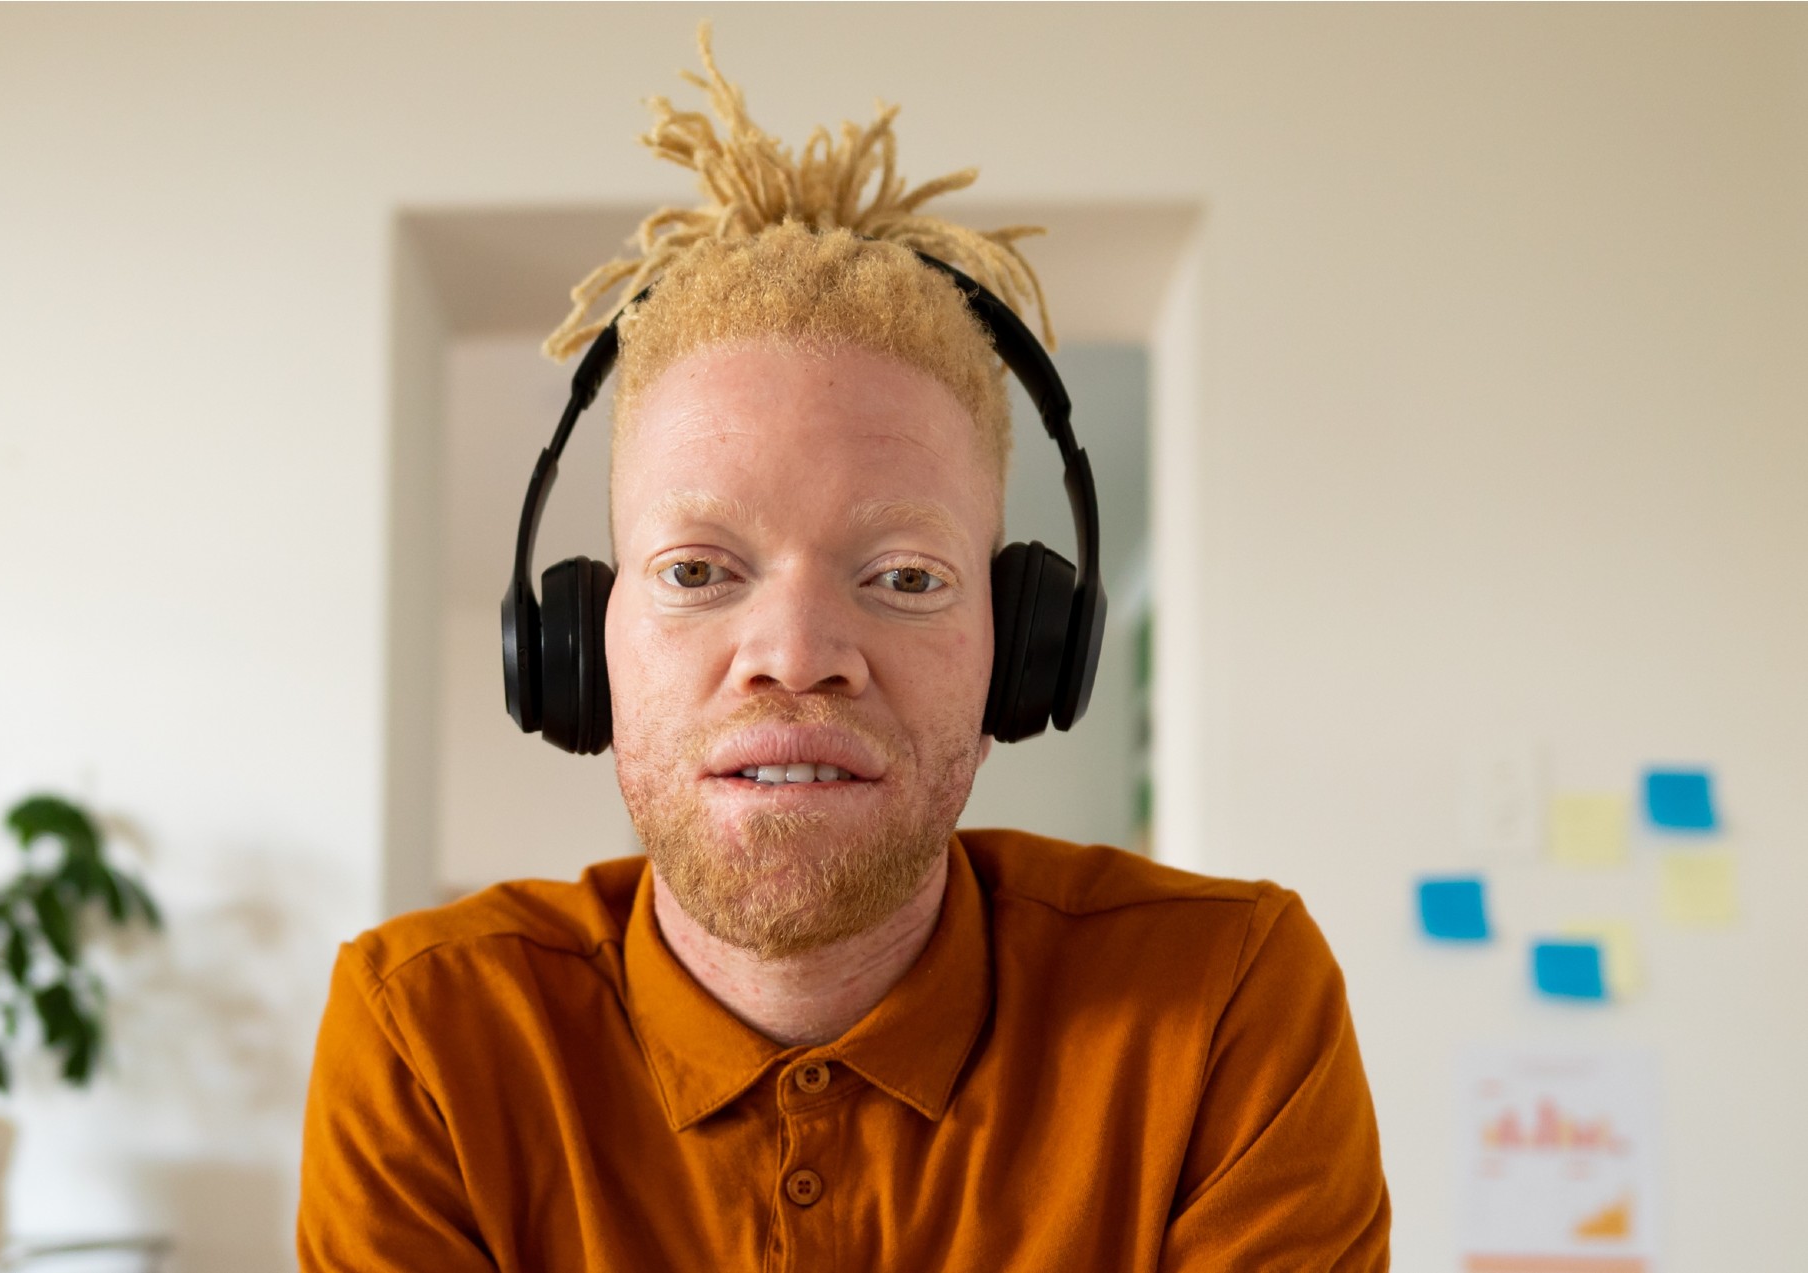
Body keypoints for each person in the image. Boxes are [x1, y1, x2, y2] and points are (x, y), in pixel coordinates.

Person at [298, 26, 1389, 1271]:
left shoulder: (1231, 1006)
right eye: (698, 570)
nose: (799, 653)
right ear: (577, 640)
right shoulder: (424, 1037)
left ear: (1025, 648)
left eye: (904, 577)